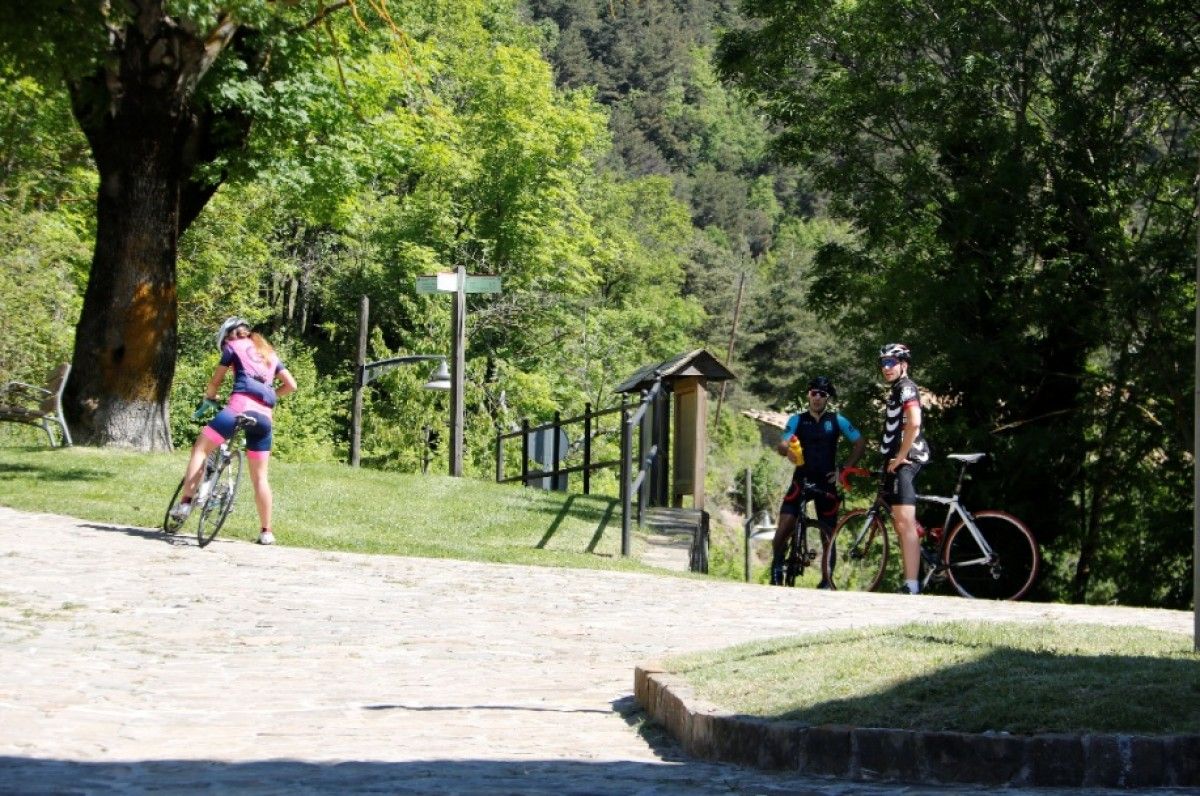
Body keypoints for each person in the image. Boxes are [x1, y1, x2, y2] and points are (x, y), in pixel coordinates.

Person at [169, 317, 297, 545]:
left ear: (228, 336)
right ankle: (266, 531)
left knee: (201, 448)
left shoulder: (232, 346)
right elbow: (291, 385)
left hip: (239, 407)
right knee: (260, 477)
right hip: (265, 417)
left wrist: (210, 396)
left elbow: (216, 381)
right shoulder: (268, 352)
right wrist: (269, 397)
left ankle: (185, 504)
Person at [770, 376, 867, 587]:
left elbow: (860, 443)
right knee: (784, 525)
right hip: (801, 481)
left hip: (826, 483)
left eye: (822, 394)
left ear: (827, 398)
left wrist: (843, 470)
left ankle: (826, 579)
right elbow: (782, 445)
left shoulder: (837, 420)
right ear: (808, 395)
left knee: (828, 536)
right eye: (814, 393)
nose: (817, 398)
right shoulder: (797, 419)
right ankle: (776, 567)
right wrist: (788, 452)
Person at [877, 343, 931, 594]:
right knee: (901, 522)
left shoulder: (906, 387)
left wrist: (899, 457)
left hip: (907, 460)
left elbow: (915, 423)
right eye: (883, 364)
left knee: (904, 521)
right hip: (899, 459)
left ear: (904, 365)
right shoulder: (898, 388)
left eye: (891, 363)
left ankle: (912, 586)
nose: (886, 368)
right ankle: (911, 581)